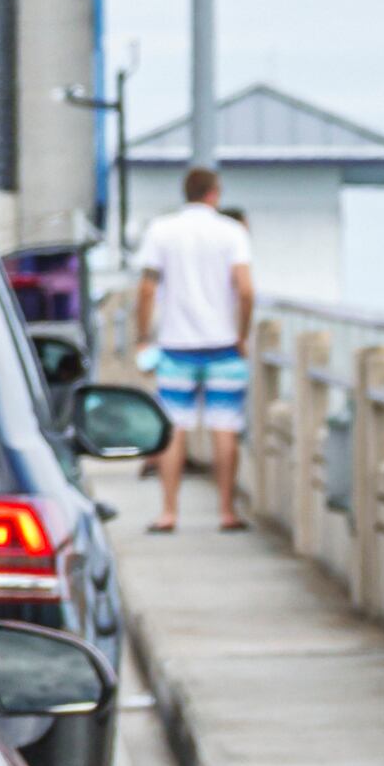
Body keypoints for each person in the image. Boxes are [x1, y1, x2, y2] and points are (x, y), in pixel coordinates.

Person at [133, 167, 255, 533]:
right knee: (225, 428)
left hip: (176, 346)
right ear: (214, 193)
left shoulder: (161, 230)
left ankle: (169, 512)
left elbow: (147, 289)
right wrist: (242, 334)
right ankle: (226, 511)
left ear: (186, 192)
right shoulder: (232, 231)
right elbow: (246, 290)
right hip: (224, 346)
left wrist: (143, 335)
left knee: (173, 430)